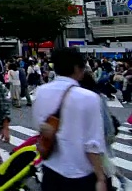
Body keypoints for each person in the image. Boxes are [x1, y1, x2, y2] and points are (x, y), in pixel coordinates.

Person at [32, 48, 107, 191]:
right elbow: (92, 144)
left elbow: (39, 126)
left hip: (51, 170)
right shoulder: (89, 97)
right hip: (80, 174)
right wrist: (100, 177)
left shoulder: (41, 91)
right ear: (76, 68)